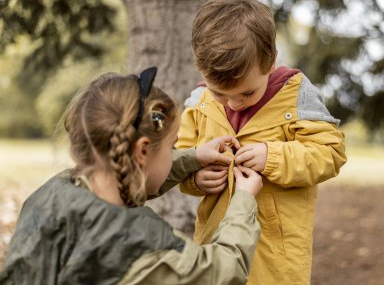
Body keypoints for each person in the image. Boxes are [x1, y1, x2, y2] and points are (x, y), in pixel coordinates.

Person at [0, 67, 264, 284]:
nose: (174, 151)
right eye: (172, 146)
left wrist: (193, 157)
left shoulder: (52, 193)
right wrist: (242, 200)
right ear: (142, 151)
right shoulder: (140, 242)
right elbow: (222, 272)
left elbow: (138, 173)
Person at [175, 0, 347, 285]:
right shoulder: (197, 103)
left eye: (247, 93)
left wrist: (273, 156)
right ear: (200, 69)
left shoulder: (296, 95)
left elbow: (330, 153)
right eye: (220, 94)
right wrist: (196, 179)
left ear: (272, 61)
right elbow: (180, 159)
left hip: (276, 263)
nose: (234, 104)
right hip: (215, 255)